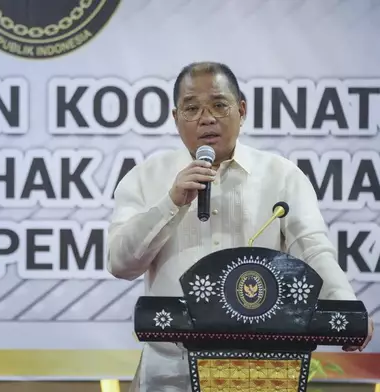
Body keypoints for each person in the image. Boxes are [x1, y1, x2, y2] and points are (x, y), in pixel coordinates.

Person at [106, 61, 373, 392]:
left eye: (219, 105)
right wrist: (171, 203)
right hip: (169, 375)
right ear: (176, 118)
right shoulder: (145, 178)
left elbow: (314, 249)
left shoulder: (282, 176)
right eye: (192, 108)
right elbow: (120, 263)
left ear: (241, 110)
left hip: (260, 371)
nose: (207, 118)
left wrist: (344, 308)